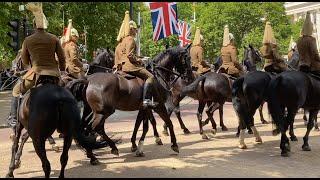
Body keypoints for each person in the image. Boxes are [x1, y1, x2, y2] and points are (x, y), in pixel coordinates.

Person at [7, 2, 66, 129]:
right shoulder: (54, 38)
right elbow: (62, 58)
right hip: (54, 76)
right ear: (46, 26)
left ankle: (13, 119)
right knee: (67, 93)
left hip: (35, 75)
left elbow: (25, 60)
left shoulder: (28, 40)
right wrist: (62, 70)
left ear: (34, 25)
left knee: (16, 91)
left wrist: (30, 64)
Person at [114, 11, 157, 108]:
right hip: (130, 66)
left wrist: (141, 57)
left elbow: (119, 56)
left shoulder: (121, 42)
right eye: (135, 30)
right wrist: (140, 61)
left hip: (121, 67)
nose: (136, 31)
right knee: (151, 76)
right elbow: (130, 55)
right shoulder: (130, 40)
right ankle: (146, 100)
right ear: (131, 29)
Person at [297, 11, 320, 76]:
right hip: (312, 66)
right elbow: (315, 54)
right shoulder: (311, 39)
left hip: (301, 65)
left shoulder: (299, 40)